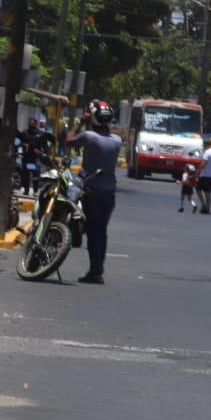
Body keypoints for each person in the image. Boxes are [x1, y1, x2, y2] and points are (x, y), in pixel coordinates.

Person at [65, 99, 122, 285]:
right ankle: (98, 268)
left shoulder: (89, 136)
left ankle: (95, 271)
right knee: (101, 231)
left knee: (92, 231)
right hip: (110, 193)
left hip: (92, 190)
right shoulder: (116, 141)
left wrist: (79, 121)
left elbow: (68, 141)